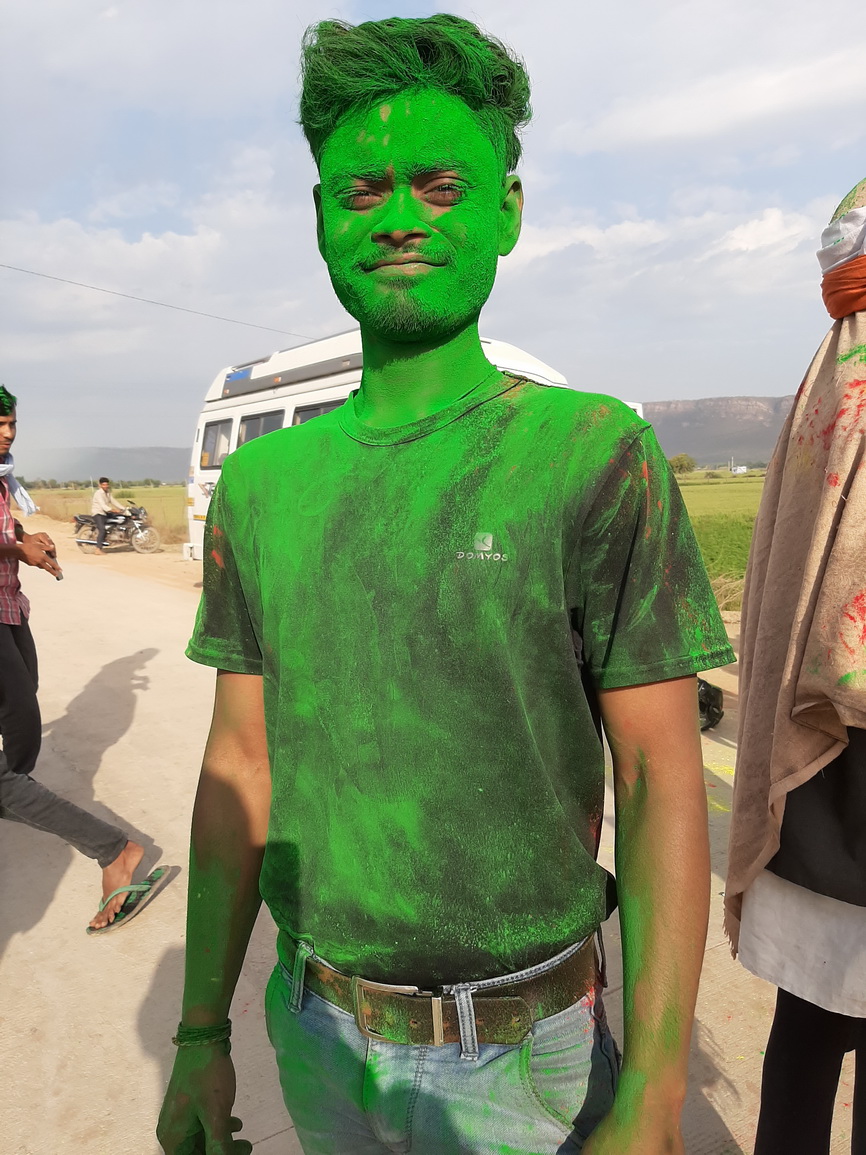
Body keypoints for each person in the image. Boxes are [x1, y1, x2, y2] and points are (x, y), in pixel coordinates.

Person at [158, 16, 734, 1155]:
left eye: (438, 185)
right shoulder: (263, 486)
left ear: (506, 211)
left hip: (525, 1065)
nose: (399, 218)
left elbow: (658, 774)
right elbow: (239, 764)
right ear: (321, 219)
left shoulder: (591, 453)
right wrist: (198, 1035)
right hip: (318, 1036)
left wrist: (656, 1090)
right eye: (362, 191)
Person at [725, 178, 866, 1154]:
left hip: (810, 777)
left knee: (807, 1035)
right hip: (837, 784)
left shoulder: (829, 376)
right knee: (815, 1032)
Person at [0, 386, 165, 932]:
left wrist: (25, 538)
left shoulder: (2, 478)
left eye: (11, 423)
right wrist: (15, 547)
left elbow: (6, 530)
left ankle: (36, 805)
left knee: (21, 725)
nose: (8, 434)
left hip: (8, 610)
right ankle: (112, 850)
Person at [91, 476, 126, 553]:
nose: (105, 486)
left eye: (107, 484)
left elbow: (113, 501)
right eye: (103, 485)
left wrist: (124, 509)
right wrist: (114, 510)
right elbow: (103, 506)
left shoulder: (108, 493)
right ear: (100, 485)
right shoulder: (98, 493)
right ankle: (98, 549)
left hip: (105, 513)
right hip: (98, 513)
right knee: (102, 530)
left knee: (119, 519)